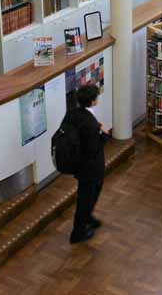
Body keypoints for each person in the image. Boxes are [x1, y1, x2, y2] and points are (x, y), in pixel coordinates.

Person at [68, 85, 109, 244]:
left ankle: (87, 218)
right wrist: (104, 135)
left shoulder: (74, 114)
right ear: (93, 101)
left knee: (89, 194)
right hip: (90, 168)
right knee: (86, 197)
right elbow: (93, 148)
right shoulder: (90, 124)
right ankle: (78, 231)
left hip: (79, 164)